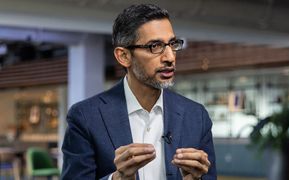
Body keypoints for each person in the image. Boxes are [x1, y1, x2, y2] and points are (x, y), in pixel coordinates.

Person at [62, 4, 216, 180]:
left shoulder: (197, 116)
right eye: (155, 46)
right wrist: (117, 178)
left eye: (172, 44)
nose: (170, 57)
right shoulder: (85, 116)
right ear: (124, 56)